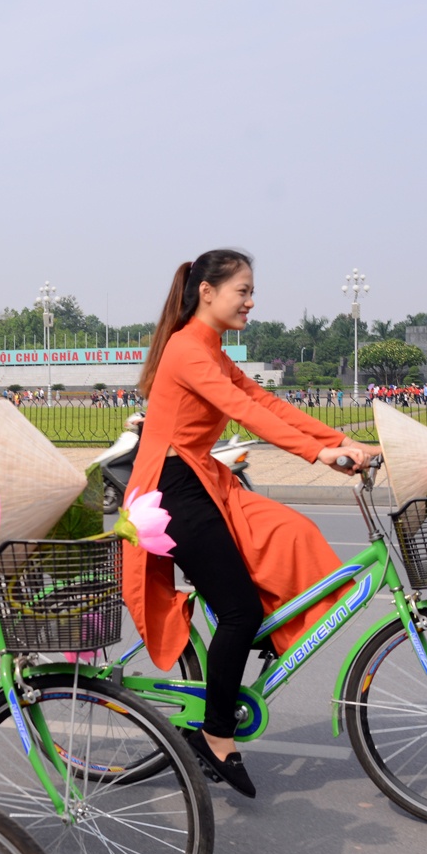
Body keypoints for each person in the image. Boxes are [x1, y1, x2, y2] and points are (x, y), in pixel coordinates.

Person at [122, 250, 378, 799]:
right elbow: (249, 414)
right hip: (172, 488)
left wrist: (341, 441)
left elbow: (265, 399)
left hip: (203, 478)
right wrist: (321, 457)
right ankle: (215, 735)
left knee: (294, 534)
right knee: (237, 608)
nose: (251, 301)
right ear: (207, 292)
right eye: (243, 290)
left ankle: (263, 636)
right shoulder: (187, 348)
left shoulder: (211, 347)